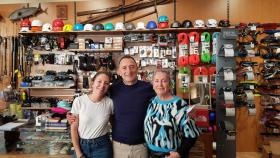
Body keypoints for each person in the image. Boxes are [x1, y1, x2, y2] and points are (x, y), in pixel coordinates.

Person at [68, 55, 155, 158]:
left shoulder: (149, 88)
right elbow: (95, 101)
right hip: (118, 145)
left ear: (137, 68)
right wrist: (71, 115)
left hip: (141, 145)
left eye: (132, 66)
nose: (128, 70)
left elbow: (162, 105)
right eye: (124, 67)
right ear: (118, 71)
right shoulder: (113, 89)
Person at [144, 70, 200, 158]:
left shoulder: (180, 105)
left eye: (164, 81)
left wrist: (179, 153)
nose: (160, 84)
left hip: (171, 155)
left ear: (170, 84)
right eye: (157, 81)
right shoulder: (152, 102)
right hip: (152, 154)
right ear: (153, 84)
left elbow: (192, 135)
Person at [70, 70, 113, 158]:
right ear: (93, 83)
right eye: (99, 81)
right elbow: (74, 129)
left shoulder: (110, 103)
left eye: (106, 83)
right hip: (81, 146)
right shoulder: (79, 101)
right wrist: (79, 154)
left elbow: (114, 123)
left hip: (102, 147)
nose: (102, 86)